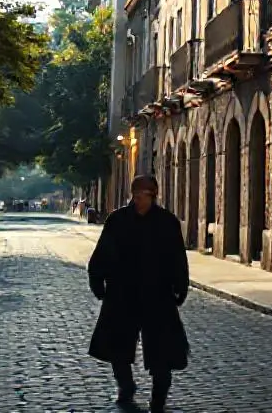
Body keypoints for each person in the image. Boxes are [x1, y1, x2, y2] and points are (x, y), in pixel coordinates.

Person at [87, 175, 189, 412]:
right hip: (122, 292)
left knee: (162, 351)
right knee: (117, 347)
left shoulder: (167, 222)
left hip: (157, 294)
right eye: (135, 196)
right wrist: (97, 280)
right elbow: (102, 252)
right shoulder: (118, 220)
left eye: (143, 196)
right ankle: (126, 385)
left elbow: (177, 258)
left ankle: (158, 399)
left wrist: (180, 286)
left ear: (153, 196)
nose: (138, 200)